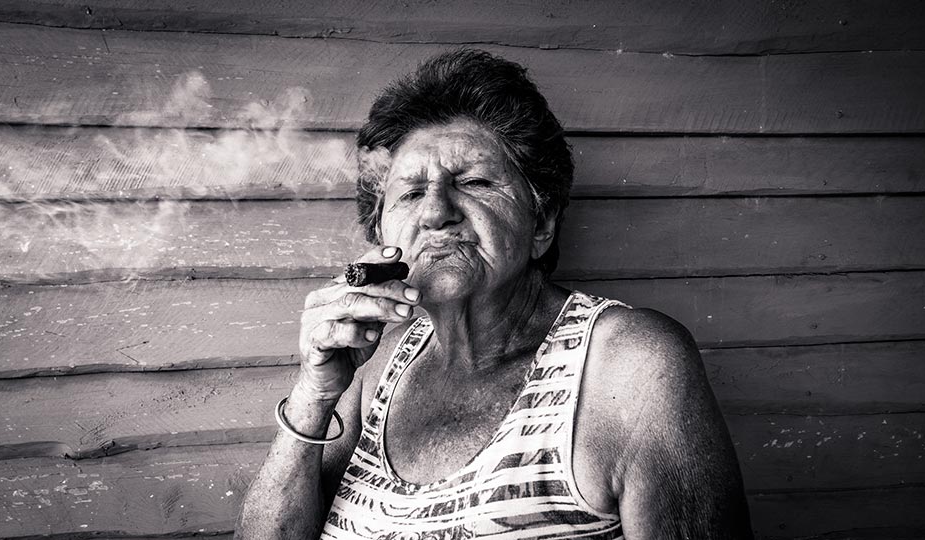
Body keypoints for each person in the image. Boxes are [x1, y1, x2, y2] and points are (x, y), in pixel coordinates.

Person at [236, 49, 752, 540]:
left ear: (542, 222)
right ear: (380, 236)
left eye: (476, 182)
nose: (436, 212)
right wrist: (314, 395)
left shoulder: (629, 364)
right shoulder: (374, 366)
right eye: (411, 193)